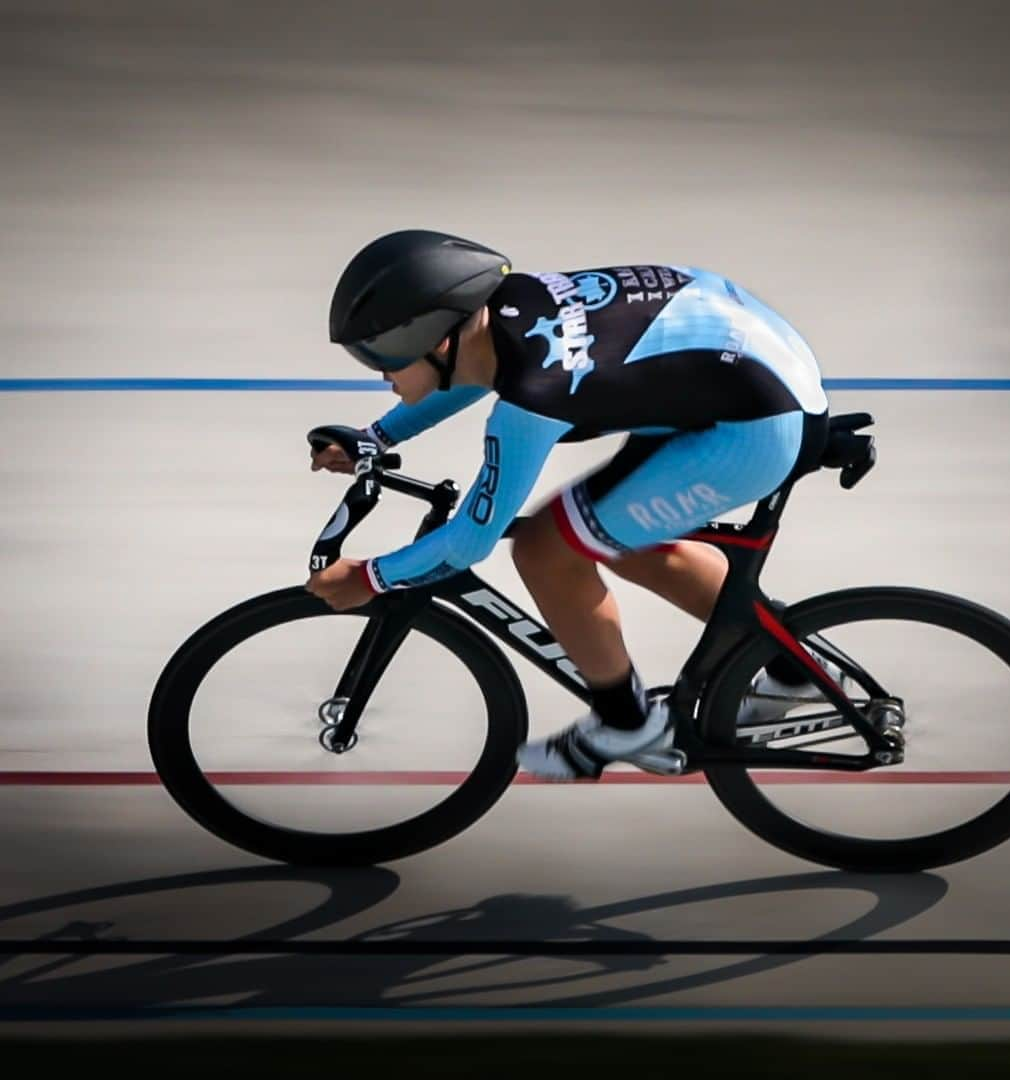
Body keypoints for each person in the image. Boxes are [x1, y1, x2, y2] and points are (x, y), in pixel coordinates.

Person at [306, 229, 835, 780]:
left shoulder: (533, 399)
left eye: (382, 354)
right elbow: (473, 372)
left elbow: (470, 541)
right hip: (749, 372)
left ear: (438, 339)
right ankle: (794, 667)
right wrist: (378, 436)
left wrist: (373, 577)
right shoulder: (505, 312)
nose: (380, 372)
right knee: (618, 538)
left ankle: (629, 725)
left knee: (545, 551)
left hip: (754, 427)